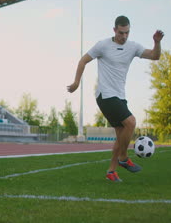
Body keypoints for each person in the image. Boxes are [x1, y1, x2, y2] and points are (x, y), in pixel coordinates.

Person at [67, 16, 164, 182]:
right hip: (105, 95)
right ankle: (123, 158)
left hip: (120, 96)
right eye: (121, 32)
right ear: (114, 30)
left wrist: (156, 42)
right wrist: (77, 82)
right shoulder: (103, 45)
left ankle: (111, 172)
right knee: (131, 122)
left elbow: (155, 56)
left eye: (127, 33)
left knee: (121, 135)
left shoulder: (133, 47)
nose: (124, 36)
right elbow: (83, 61)